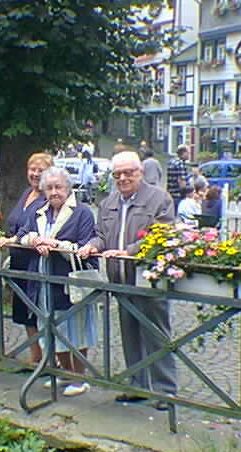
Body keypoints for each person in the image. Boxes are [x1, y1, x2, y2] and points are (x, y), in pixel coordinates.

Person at [78, 151, 176, 408]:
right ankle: (137, 386)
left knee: (157, 334)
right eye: (117, 174)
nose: (122, 178)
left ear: (140, 173)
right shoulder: (108, 203)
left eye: (128, 173)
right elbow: (101, 235)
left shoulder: (159, 199)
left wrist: (129, 251)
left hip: (148, 279)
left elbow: (161, 235)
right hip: (119, 278)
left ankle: (165, 392)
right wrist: (92, 245)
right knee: (130, 335)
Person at [20, 166, 97, 397]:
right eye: (49, 187)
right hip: (43, 281)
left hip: (70, 282)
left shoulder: (82, 213)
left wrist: (56, 245)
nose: (54, 192)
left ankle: (80, 378)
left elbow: (85, 245)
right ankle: (66, 373)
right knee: (51, 327)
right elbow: (22, 233)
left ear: (68, 188)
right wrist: (35, 240)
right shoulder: (39, 211)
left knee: (76, 330)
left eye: (59, 187)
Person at [0, 153, 53, 364]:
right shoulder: (27, 193)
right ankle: (35, 357)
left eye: (40, 170)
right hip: (18, 260)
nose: (35, 174)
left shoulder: (49, 197)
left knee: (37, 309)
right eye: (32, 169)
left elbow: (36, 227)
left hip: (36, 261)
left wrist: (13, 240)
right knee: (23, 311)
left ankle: (49, 359)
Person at [167, 145, 189, 211]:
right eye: (188, 153)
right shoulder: (180, 163)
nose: (189, 155)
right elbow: (181, 182)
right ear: (184, 153)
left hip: (170, 194)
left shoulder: (171, 162)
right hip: (178, 195)